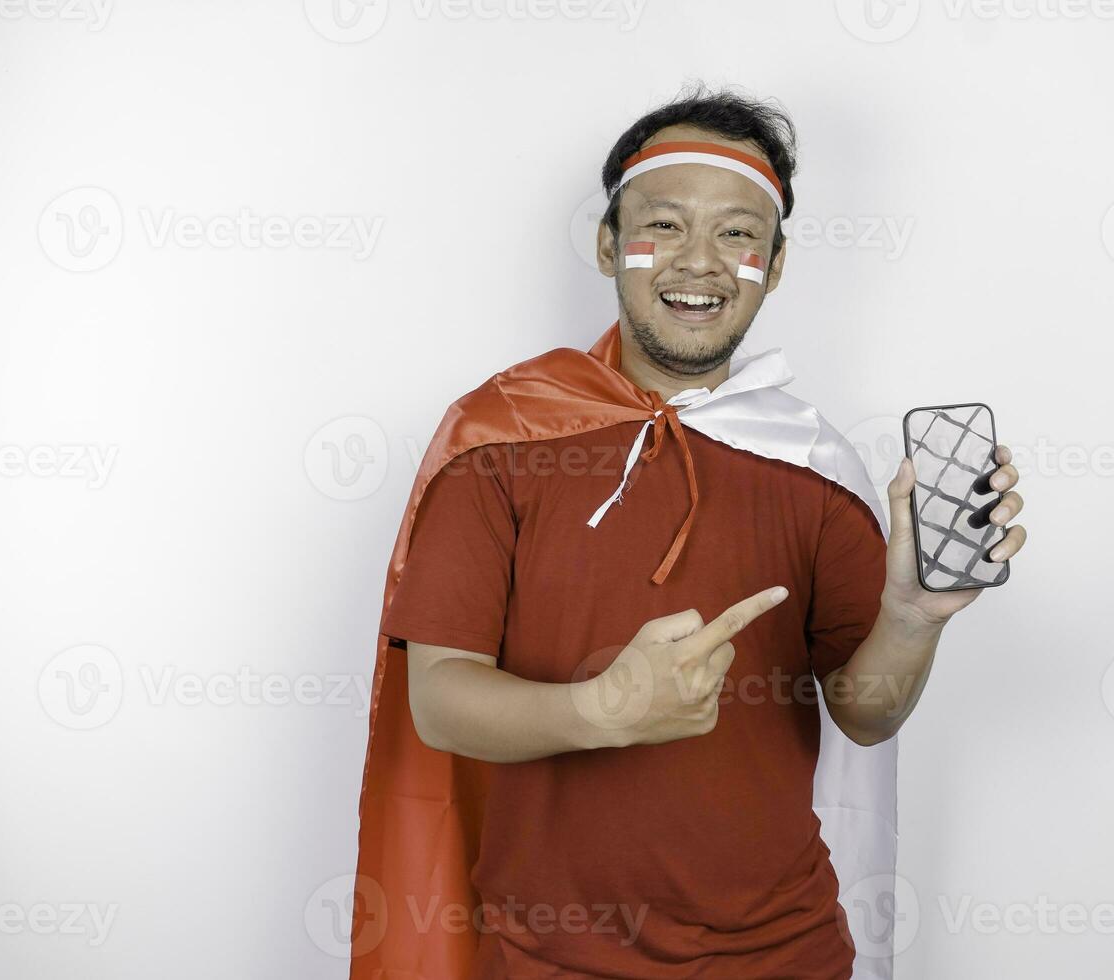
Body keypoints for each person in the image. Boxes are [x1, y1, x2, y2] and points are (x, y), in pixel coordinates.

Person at [350, 84, 1028, 980]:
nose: (700, 262)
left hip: (784, 954)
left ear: (776, 264)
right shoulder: (500, 438)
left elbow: (866, 714)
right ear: (607, 246)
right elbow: (438, 701)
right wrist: (599, 710)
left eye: (739, 234)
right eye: (664, 226)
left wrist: (913, 615)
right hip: (550, 958)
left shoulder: (816, 463)